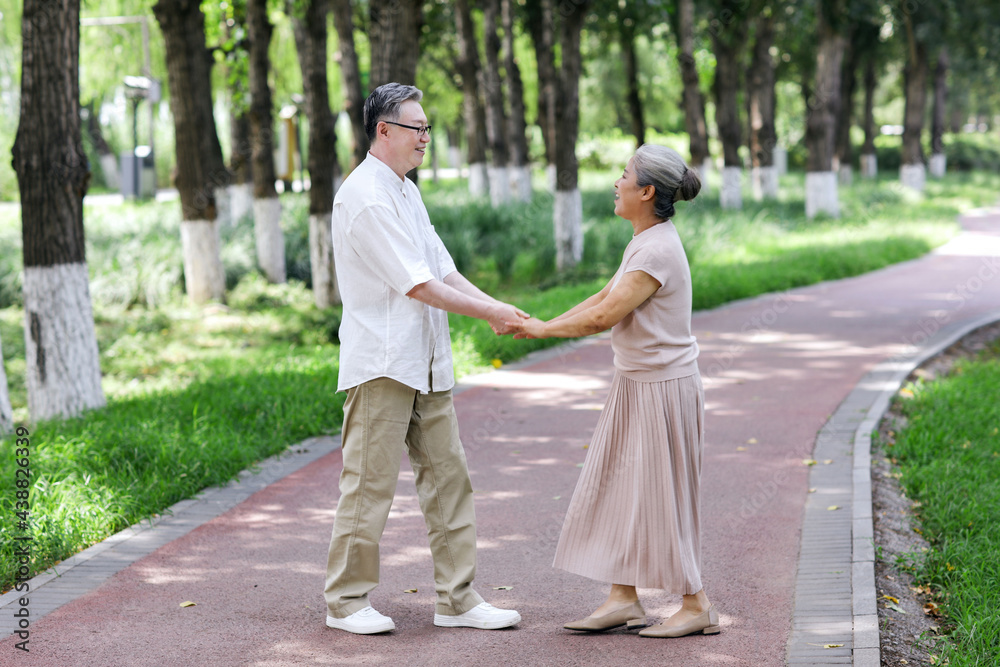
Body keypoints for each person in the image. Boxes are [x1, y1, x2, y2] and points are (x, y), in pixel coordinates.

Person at [324, 83, 525, 635]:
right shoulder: (364, 195)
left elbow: (442, 268)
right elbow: (418, 285)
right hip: (384, 364)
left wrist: (494, 307)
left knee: (449, 479)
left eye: (428, 129)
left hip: (429, 363)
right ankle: (345, 602)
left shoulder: (406, 191)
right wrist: (490, 314)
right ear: (383, 130)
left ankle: (457, 599)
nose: (426, 139)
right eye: (417, 128)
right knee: (369, 485)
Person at [506, 145, 718, 639]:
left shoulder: (657, 248)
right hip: (637, 383)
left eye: (623, 175)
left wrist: (541, 332)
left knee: (664, 499)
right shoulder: (645, 240)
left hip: (663, 389)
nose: (615, 183)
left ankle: (697, 603)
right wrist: (540, 323)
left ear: (646, 191)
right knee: (621, 489)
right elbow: (602, 296)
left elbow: (606, 316)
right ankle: (623, 599)